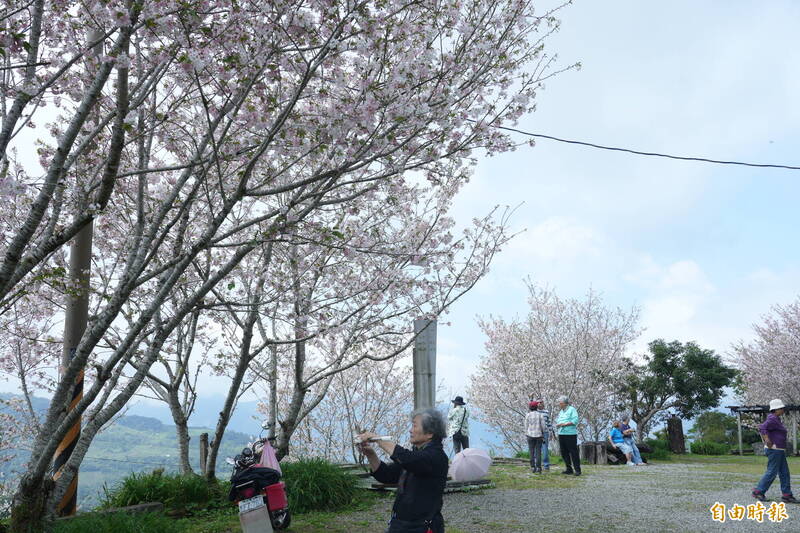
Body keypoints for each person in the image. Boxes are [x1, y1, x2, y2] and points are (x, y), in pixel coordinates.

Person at [358, 408, 449, 533]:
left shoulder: (436, 457)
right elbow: (387, 475)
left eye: (414, 426)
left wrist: (378, 439)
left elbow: (407, 459)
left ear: (430, 433)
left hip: (421, 526)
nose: (410, 430)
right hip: (401, 524)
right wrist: (370, 454)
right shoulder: (417, 455)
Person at [752, 399, 799, 504]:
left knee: (784, 473)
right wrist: (767, 439)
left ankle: (787, 495)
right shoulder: (772, 418)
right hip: (774, 449)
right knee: (772, 472)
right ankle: (758, 491)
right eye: (781, 408)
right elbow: (762, 427)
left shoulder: (776, 419)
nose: (783, 410)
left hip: (779, 450)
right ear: (775, 409)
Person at [555, 395, 581, 476]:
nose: (559, 404)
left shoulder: (572, 409)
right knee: (564, 452)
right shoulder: (561, 411)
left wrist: (564, 424)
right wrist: (558, 425)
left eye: (560, 403)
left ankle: (577, 470)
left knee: (573, 452)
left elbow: (575, 420)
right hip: (561, 433)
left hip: (570, 434)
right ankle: (569, 469)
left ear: (564, 403)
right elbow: (559, 421)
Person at [525, 401, 546, 473]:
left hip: (530, 435)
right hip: (539, 435)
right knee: (538, 452)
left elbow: (526, 426)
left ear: (530, 407)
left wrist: (526, 433)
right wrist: (543, 433)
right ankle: (538, 468)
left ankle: (532, 467)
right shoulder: (540, 415)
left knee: (531, 451)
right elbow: (543, 426)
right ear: (536, 407)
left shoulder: (528, 415)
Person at [537, 399, 553, 471]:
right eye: (539, 402)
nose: (540, 404)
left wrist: (551, 432)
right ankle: (537, 465)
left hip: (545, 433)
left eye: (541, 402)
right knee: (537, 449)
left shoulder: (546, 412)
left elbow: (549, 423)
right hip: (537, 432)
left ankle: (546, 465)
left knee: (545, 448)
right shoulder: (535, 412)